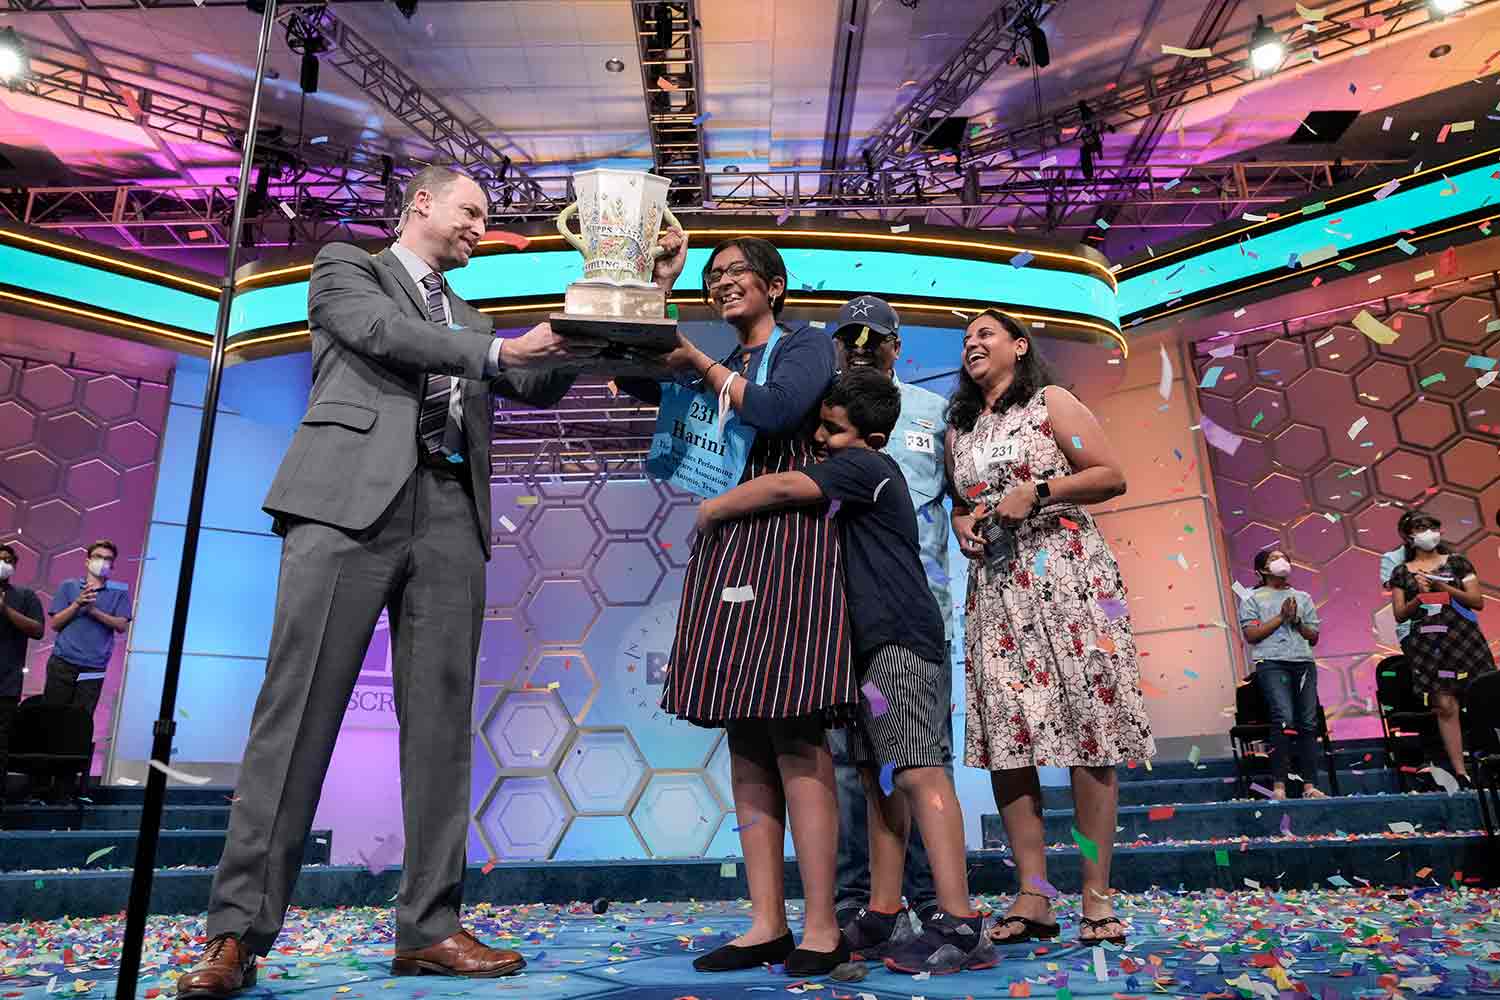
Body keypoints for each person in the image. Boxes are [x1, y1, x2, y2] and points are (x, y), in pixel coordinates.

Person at [176, 165, 654, 999]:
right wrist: (500, 350)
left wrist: (625, 288)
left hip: (447, 519)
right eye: (472, 211)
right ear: (422, 204)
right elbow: (384, 335)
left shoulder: (471, 319)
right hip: (342, 512)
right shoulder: (346, 267)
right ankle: (236, 934)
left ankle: (429, 928)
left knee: (439, 733)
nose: (480, 226)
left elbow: (533, 379)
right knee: (294, 723)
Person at [695, 369, 990, 976]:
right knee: (877, 775)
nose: (823, 439)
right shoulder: (859, 462)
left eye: (834, 429)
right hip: (863, 652)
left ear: (874, 437)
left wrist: (715, 507)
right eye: (822, 425)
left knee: (917, 769)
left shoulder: (866, 467)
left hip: (898, 640)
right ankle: (883, 911)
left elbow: (779, 489)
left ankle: (961, 922)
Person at [617, 237, 854, 977]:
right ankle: (765, 923)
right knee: (745, 736)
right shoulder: (723, 358)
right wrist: (656, 288)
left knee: (796, 731)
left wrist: (700, 363)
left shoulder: (806, 346)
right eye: (712, 276)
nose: (721, 285)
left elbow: (783, 413)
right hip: (727, 545)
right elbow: (631, 378)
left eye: (734, 274)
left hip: (791, 544)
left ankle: (821, 927)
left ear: (776, 285)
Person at [945, 309, 1154, 947]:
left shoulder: (1050, 401)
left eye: (986, 333)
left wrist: (1037, 492)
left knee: (1093, 736)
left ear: (1019, 344)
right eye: (966, 337)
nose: (972, 343)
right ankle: (1033, 894)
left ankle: (1095, 896)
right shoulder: (962, 427)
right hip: (999, 596)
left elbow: (1110, 475)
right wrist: (964, 523)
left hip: (1070, 584)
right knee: (1011, 744)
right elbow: (961, 501)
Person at [825, 295, 953, 957]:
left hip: (917, 625)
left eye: (876, 340)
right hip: (843, 631)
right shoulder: (823, 415)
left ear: (899, 347)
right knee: (855, 767)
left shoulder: (934, 412)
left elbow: (964, 506)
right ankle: (864, 907)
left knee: (921, 762)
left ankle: (939, 909)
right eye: (851, 338)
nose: (863, 348)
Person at [1387, 512, 1494, 787]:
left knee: (1483, 699)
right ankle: (1461, 772)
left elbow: (1476, 600)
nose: (1428, 532)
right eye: (1420, 528)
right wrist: (1420, 596)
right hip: (1428, 645)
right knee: (1445, 705)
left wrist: (1443, 587)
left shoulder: (1458, 562)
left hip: (1464, 639)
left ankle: (1490, 760)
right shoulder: (1401, 572)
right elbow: (1400, 615)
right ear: (1409, 536)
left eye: (1431, 527)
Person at [1238, 549, 1327, 800]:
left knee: (1308, 722)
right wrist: (1280, 617)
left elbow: (1314, 637)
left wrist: (1296, 621)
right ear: (1262, 570)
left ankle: (1310, 785)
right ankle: (1279, 786)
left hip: (1302, 663)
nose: (1282, 562)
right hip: (1272, 663)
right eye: (1274, 559)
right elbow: (1252, 635)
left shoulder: (1303, 597)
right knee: (1283, 718)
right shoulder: (1251, 597)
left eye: (1285, 558)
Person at [46, 540, 132, 722]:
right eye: (98, 557)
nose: (102, 562)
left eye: (108, 559)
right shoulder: (68, 586)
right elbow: (55, 624)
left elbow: (121, 626)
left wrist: (93, 611)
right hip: (62, 661)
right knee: (51, 718)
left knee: (80, 722)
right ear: (87, 561)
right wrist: (78, 603)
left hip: (95, 666)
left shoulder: (120, 592)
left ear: (112, 566)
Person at [0, 542, 45, 803]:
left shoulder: (26, 596)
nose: (3, 564)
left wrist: (5, 610)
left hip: (6, 684)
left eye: (8, 560)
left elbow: (38, 630)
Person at [1379, 511, 1423, 646]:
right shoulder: (1393, 558)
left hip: (1450, 625)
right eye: (1419, 528)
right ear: (1404, 533)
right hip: (1413, 628)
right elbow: (1391, 586)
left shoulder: (1448, 557)